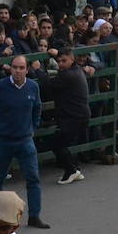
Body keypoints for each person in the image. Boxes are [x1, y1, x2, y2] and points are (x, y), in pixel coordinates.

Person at [0, 54, 46, 229]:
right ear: (10, 68)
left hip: (25, 140)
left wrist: (33, 127)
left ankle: (35, 215)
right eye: (15, 67)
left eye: (21, 68)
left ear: (27, 69)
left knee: (33, 178)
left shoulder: (32, 87)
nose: (18, 71)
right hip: (3, 140)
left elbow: (37, 108)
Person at [49, 47, 90, 186]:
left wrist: (37, 70)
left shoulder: (67, 75)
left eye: (64, 61)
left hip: (73, 116)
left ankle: (71, 170)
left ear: (72, 60)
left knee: (57, 144)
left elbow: (49, 84)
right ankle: (74, 168)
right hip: (77, 115)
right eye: (59, 61)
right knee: (62, 143)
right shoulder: (76, 70)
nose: (60, 64)